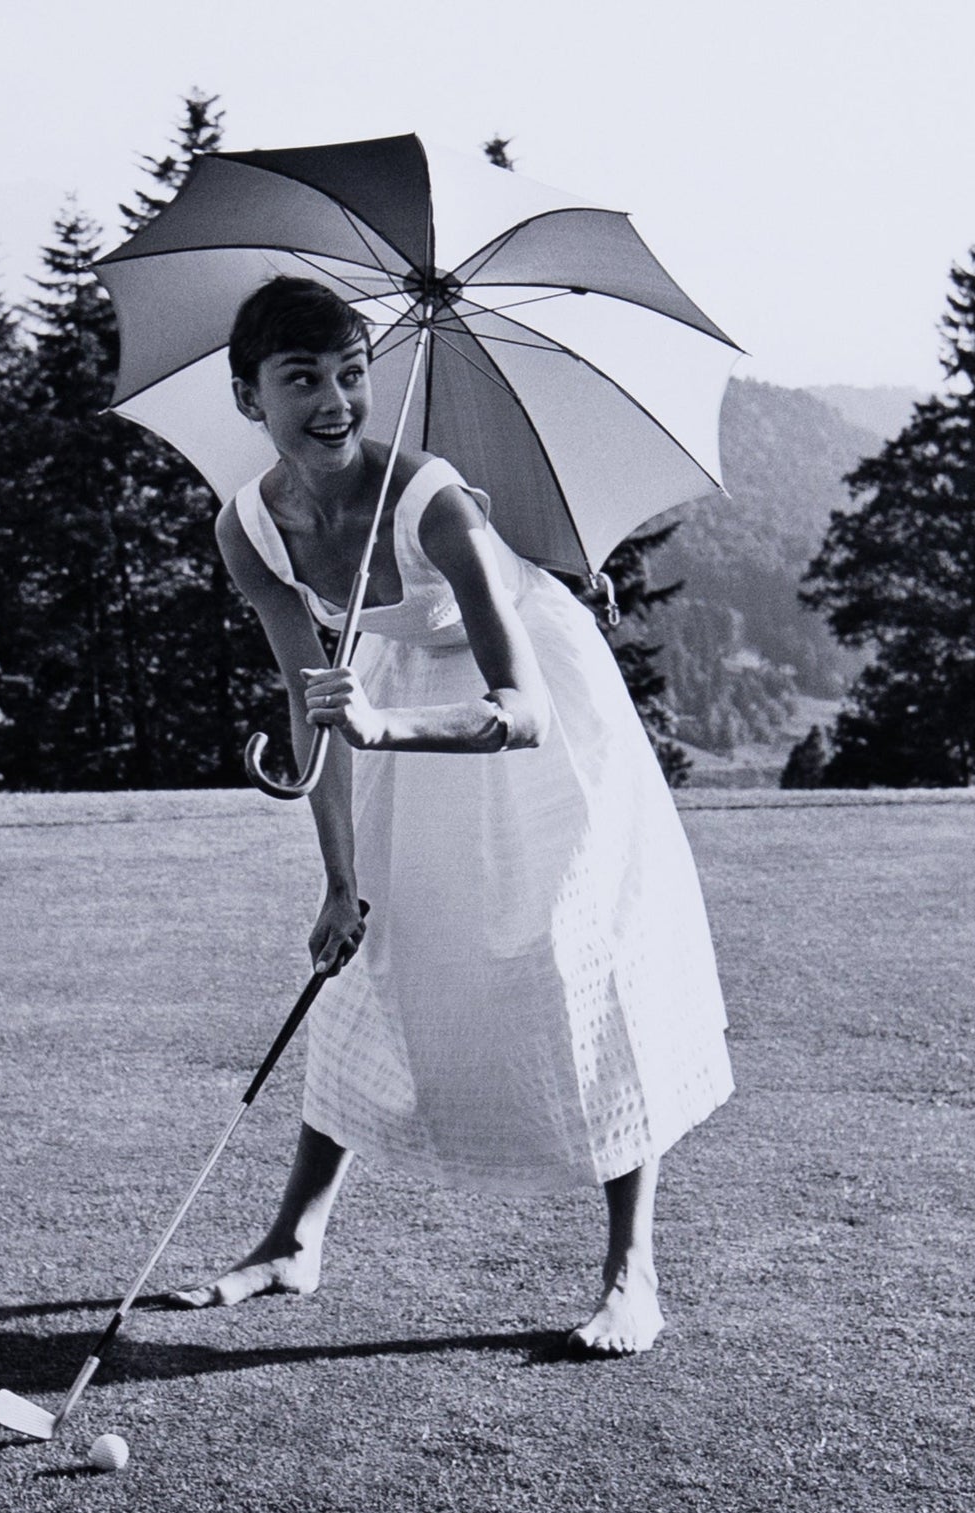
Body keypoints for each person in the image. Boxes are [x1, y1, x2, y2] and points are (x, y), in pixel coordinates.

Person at [165, 277, 732, 1354]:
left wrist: (382, 731)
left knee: (577, 959)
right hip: (388, 696)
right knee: (370, 955)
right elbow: (309, 698)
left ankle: (631, 1272)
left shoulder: (435, 504)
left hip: (534, 711)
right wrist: (336, 875)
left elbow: (521, 712)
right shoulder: (248, 530)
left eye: (350, 374)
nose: (335, 401)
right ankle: (294, 1238)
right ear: (249, 400)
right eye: (302, 381)